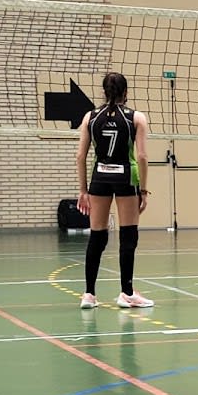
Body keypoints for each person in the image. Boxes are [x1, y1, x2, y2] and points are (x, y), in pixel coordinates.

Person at [75, 72, 154, 309]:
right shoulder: (136, 118)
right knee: (128, 235)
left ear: (104, 92)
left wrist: (83, 190)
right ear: (125, 92)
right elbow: (141, 156)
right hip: (125, 178)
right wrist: (144, 189)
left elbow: (80, 156)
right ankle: (127, 293)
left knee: (97, 236)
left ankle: (89, 294)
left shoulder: (90, 117)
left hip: (99, 178)